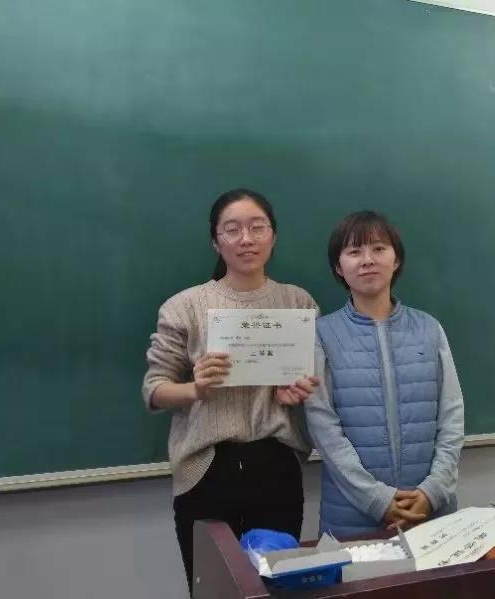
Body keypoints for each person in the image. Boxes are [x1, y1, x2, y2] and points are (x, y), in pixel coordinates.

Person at [142, 188, 319, 595]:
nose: (246, 239)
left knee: (277, 587)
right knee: (214, 590)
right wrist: (195, 389)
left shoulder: (298, 302)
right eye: (232, 229)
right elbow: (154, 390)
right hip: (206, 468)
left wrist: (301, 390)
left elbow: (315, 381)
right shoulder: (184, 307)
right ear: (215, 241)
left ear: (273, 236)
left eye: (257, 227)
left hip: (276, 464)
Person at [305, 210, 465, 539]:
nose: (367, 260)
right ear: (338, 267)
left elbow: (452, 415)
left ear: (396, 260)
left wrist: (433, 492)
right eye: (354, 251)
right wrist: (377, 499)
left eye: (378, 249)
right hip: (352, 515)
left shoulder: (429, 328)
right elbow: (323, 428)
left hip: (431, 513)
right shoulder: (321, 335)